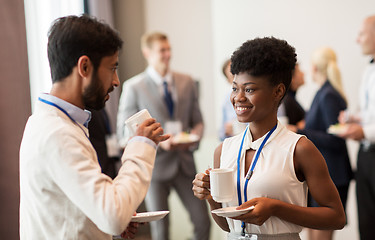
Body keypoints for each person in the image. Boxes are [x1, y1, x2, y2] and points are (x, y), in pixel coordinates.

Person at [19, 15, 169, 240]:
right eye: (112, 68)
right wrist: (141, 146)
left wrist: (99, 224)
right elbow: (113, 214)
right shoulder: (58, 133)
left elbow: (68, 208)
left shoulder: (47, 123)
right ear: (85, 66)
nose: (116, 81)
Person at [192, 37, 345, 240]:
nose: (238, 97)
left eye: (249, 89)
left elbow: (336, 217)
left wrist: (276, 208)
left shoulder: (299, 148)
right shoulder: (224, 150)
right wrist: (211, 198)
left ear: (278, 91)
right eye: (235, 88)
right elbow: (229, 227)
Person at [117, 32, 210, 240]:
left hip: (185, 165)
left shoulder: (186, 82)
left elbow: (198, 121)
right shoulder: (134, 87)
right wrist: (155, 144)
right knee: (161, 231)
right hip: (155, 168)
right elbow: (123, 135)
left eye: (169, 50)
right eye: (162, 51)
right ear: (147, 53)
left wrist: (193, 137)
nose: (168, 55)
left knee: (203, 221)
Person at [291, 47, 353, 240]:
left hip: (333, 176)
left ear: (315, 68)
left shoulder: (328, 95)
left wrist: (300, 131)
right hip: (325, 174)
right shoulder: (323, 93)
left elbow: (335, 139)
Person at [337, 15, 375, 240]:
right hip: (365, 156)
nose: (357, 40)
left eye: (361, 34)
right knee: (367, 222)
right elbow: (371, 113)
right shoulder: (368, 70)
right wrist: (354, 117)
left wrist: (364, 131)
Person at [220, 59, 247, 141]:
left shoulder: (263, 94)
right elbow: (221, 135)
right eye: (233, 77)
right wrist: (226, 131)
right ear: (229, 81)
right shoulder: (227, 100)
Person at [277, 63, 305, 127]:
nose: (303, 73)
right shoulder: (288, 101)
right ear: (291, 79)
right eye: (299, 71)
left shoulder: (290, 99)